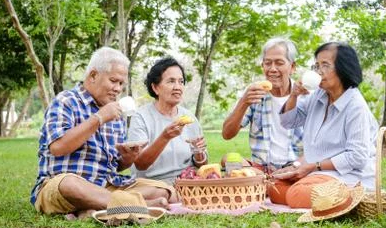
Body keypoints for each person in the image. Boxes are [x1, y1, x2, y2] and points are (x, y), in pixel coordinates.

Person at [31, 47, 173, 218]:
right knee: (69, 185)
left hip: (105, 187)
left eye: (121, 84)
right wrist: (99, 118)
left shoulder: (116, 112)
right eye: (114, 81)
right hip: (63, 184)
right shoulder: (66, 101)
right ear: (93, 76)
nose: (118, 89)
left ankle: (92, 209)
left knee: (162, 190)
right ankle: (138, 206)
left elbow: (116, 166)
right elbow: (58, 147)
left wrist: (128, 158)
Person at [271, 42, 378, 208]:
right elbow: (288, 122)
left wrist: (313, 166)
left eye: (325, 65)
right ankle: (318, 197)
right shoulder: (318, 95)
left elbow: (357, 156)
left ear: (343, 69)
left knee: (297, 194)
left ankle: (353, 196)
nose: (319, 71)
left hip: (348, 176)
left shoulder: (355, 106)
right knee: (274, 189)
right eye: (316, 66)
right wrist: (293, 96)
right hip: (318, 174)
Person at [222, 37, 303, 172]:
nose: (272, 69)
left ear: (292, 67)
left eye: (279, 63)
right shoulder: (254, 93)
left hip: (295, 168)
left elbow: (320, 146)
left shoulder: (305, 96)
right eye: (267, 63)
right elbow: (227, 134)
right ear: (262, 66)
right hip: (259, 169)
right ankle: (261, 179)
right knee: (227, 160)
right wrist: (244, 102)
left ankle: (267, 183)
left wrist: (296, 167)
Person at [128, 56, 207, 186]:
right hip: (152, 185)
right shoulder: (141, 117)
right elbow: (140, 164)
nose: (178, 87)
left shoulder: (189, 117)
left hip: (187, 182)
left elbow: (202, 165)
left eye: (181, 82)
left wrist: (199, 153)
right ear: (155, 88)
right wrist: (165, 137)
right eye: (171, 81)